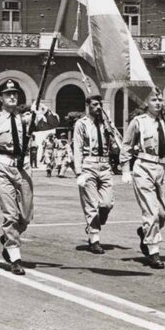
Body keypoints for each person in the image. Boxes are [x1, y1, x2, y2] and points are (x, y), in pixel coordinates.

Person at [0, 80, 59, 275]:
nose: (12, 96)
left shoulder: (27, 119)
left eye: (15, 93)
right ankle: (14, 256)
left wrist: (45, 111)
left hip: (22, 168)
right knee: (11, 214)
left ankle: (8, 237)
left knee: (25, 215)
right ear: (1, 98)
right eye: (8, 94)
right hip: (2, 168)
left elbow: (54, 123)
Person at [120, 89, 165, 270]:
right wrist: (126, 170)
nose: (158, 103)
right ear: (146, 103)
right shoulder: (139, 122)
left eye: (160, 100)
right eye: (154, 100)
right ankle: (153, 251)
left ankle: (144, 232)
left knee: (164, 212)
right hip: (144, 166)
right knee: (151, 211)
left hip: (163, 168)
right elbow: (126, 145)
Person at [72, 94, 116, 254]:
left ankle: (94, 224)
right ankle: (94, 239)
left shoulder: (105, 124)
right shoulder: (81, 124)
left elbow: (115, 145)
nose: (98, 108)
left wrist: (111, 131)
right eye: (95, 105)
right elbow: (76, 147)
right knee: (91, 204)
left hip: (104, 165)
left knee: (106, 204)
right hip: (88, 164)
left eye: (100, 105)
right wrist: (79, 172)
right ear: (88, 106)